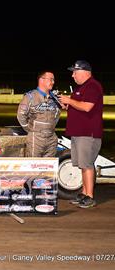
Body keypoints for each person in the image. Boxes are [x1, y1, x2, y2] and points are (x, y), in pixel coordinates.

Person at [59, 60, 103, 208]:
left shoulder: (93, 86)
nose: (73, 75)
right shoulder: (81, 88)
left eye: (75, 72)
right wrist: (67, 104)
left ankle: (89, 196)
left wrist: (69, 101)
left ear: (86, 72)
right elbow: (77, 106)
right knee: (82, 165)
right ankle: (84, 194)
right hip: (78, 133)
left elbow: (87, 107)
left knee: (87, 164)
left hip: (87, 134)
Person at [17, 71, 61, 157]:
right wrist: (30, 129)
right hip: (36, 138)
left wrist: (50, 128)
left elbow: (57, 115)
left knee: (49, 167)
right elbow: (21, 115)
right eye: (51, 79)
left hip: (52, 138)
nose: (53, 82)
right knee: (33, 166)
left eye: (53, 80)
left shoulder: (55, 98)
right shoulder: (30, 96)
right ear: (41, 80)